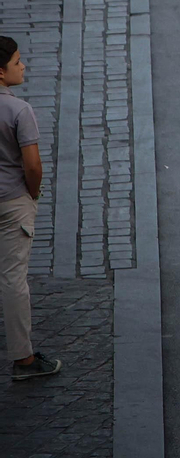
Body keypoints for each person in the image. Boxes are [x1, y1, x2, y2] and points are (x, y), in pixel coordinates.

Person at [1, 37, 58, 381]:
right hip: (12, 202)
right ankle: (23, 358)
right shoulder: (19, 110)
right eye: (18, 62)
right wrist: (32, 195)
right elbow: (33, 165)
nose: (23, 67)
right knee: (12, 279)